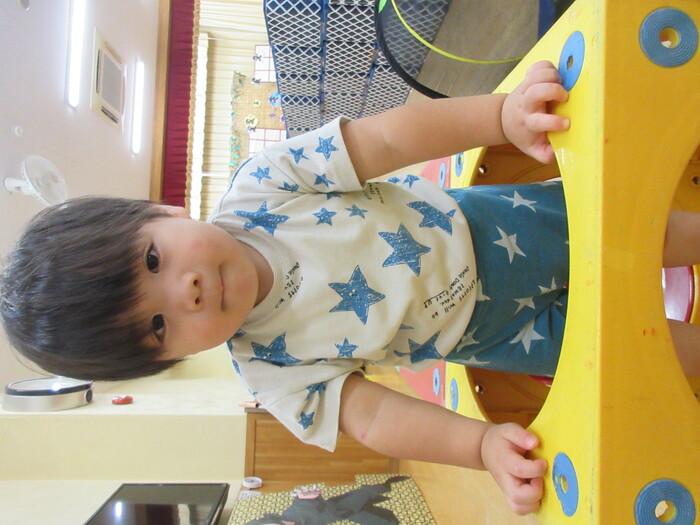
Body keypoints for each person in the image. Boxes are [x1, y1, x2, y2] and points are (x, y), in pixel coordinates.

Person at [2, 61, 698, 516]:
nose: (183, 293)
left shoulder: (262, 186)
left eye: (154, 259)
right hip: (497, 336)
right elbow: (374, 418)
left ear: (162, 210)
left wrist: (499, 118)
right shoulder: (271, 373)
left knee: (646, 234)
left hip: (498, 226)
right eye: (158, 326)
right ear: (170, 358)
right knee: (652, 356)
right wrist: (480, 447)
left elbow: (388, 139)